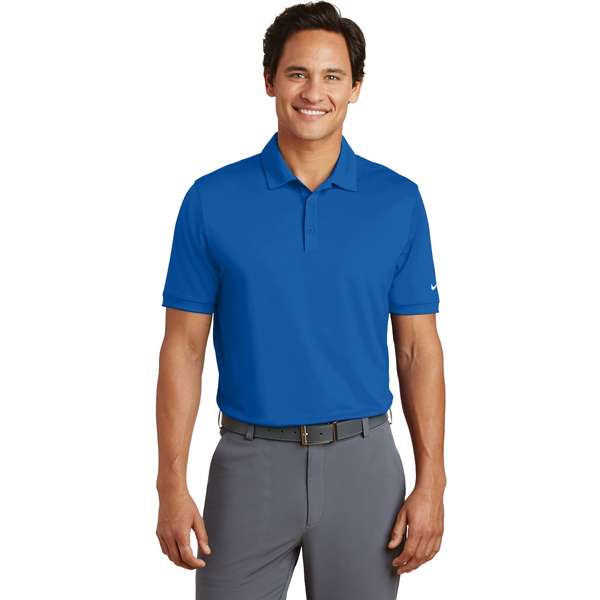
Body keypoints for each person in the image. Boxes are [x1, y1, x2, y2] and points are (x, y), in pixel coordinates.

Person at [155, 2, 446, 598]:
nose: (314, 92)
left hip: (364, 465)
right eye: (297, 74)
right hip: (248, 465)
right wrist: (170, 484)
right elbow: (183, 348)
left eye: (332, 76)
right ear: (269, 81)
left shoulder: (398, 202)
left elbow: (418, 348)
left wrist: (433, 481)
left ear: (356, 87)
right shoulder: (211, 200)